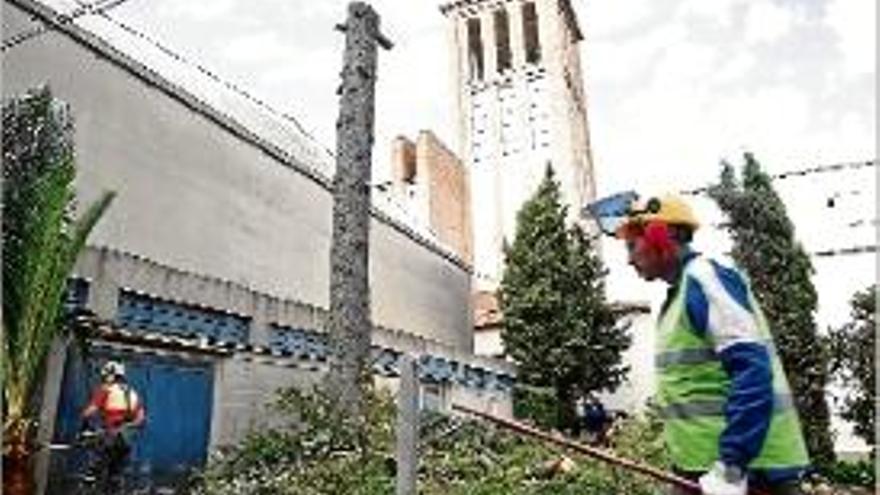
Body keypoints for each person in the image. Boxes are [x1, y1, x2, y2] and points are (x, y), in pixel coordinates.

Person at [590, 193, 809, 495]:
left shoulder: (705, 278)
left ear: (661, 236)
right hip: (707, 469)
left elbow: (752, 371)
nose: (628, 259)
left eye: (632, 245)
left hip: (750, 472)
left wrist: (731, 468)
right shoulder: (680, 293)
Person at [80, 360, 145, 485]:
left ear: (112, 375)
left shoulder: (106, 390)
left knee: (91, 477)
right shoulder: (133, 394)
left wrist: (84, 429)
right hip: (125, 443)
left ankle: (89, 482)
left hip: (108, 441)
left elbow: (88, 413)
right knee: (114, 478)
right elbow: (140, 419)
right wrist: (125, 427)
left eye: (105, 376)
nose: (103, 379)